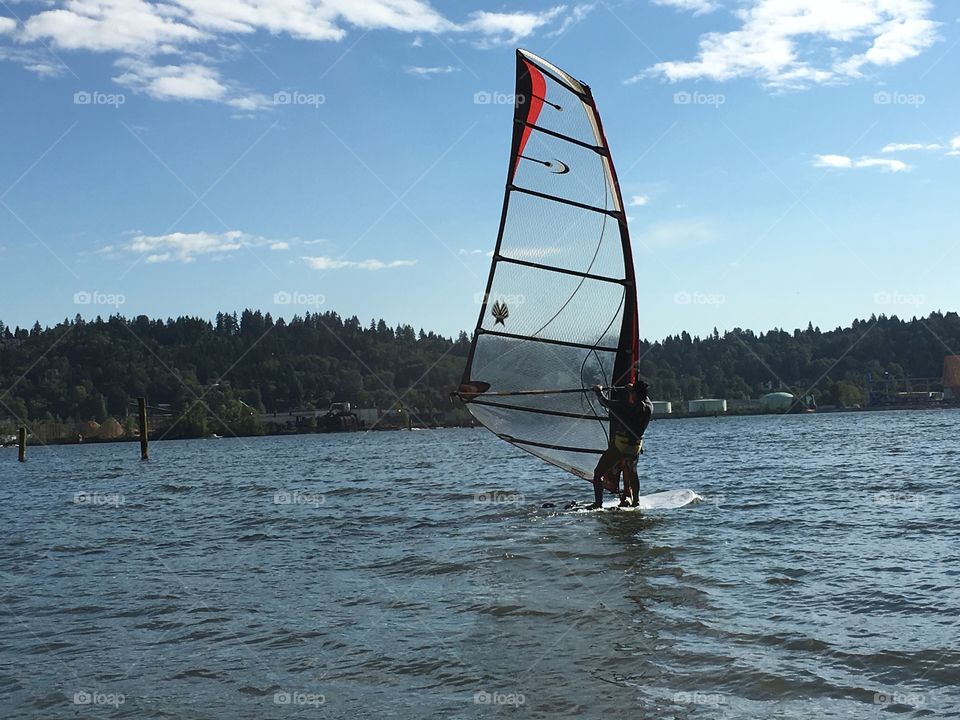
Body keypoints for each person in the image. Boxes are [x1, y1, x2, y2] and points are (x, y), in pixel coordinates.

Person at [589, 380, 653, 509]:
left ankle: (598, 504)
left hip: (620, 446)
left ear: (634, 393)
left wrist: (598, 391)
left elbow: (604, 402)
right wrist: (632, 390)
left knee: (598, 473)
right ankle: (636, 501)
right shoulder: (649, 407)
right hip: (635, 447)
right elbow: (643, 397)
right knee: (633, 473)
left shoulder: (626, 406)